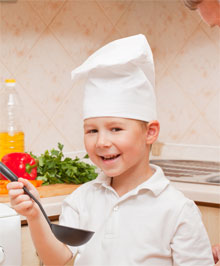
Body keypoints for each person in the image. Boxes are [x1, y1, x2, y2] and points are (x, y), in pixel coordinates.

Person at [7, 34, 215, 265]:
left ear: (150, 132)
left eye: (115, 129)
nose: (102, 142)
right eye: (92, 130)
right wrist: (35, 216)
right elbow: (60, 262)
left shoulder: (177, 210)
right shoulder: (81, 200)